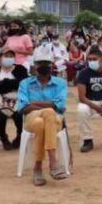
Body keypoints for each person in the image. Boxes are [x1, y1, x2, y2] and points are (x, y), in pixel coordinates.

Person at [16, 51, 69, 186]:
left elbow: (59, 104)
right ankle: (52, 161)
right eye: (40, 63)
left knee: (43, 121)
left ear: (52, 66)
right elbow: (24, 107)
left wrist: (34, 104)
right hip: (30, 118)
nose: (43, 66)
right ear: (34, 66)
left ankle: (38, 167)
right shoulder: (25, 83)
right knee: (48, 112)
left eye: (46, 64)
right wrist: (48, 105)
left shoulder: (60, 83)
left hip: (54, 120)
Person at [0, 48, 28, 150]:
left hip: (18, 100)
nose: (9, 58)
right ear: (0, 58)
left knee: (19, 113)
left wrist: (3, 84)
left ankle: (19, 136)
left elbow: (23, 85)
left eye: (11, 56)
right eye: (6, 56)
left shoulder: (21, 69)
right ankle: (3, 138)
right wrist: (11, 85)